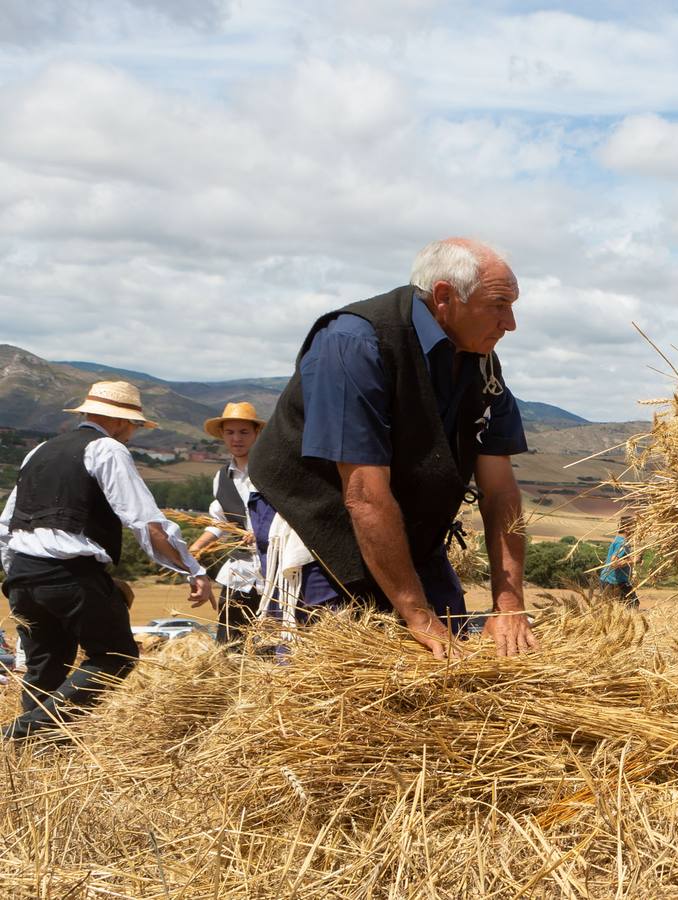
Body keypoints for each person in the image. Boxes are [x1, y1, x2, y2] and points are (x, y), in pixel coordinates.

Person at [250, 238, 538, 659]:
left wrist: (508, 604)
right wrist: (418, 617)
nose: (510, 323)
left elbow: (500, 490)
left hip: (405, 523)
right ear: (444, 297)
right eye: (498, 305)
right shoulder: (355, 343)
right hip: (318, 517)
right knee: (335, 660)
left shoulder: (481, 362)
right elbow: (363, 494)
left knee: (451, 655)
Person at [0, 382, 213, 740]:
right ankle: (20, 734)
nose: (132, 434)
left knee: (45, 668)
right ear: (119, 422)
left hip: (22, 572)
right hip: (70, 575)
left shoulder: (38, 451)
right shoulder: (107, 449)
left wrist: (16, 572)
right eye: (134, 426)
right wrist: (193, 568)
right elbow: (146, 522)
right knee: (116, 656)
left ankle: (39, 757)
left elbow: (7, 522)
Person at [187, 401, 267, 643]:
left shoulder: (270, 473)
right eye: (230, 432)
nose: (237, 439)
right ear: (222, 435)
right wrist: (196, 549)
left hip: (272, 573)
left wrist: (262, 531)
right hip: (240, 574)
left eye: (244, 432)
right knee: (230, 646)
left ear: (256, 434)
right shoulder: (220, 478)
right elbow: (219, 523)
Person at [600, 528, 635, 605]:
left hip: (608, 579)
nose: (635, 530)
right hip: (614, 582)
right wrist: (632, 561)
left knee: (608, 609)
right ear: (627, 529)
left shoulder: (617, 539)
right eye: (634, 527)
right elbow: (613, 563)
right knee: (633, 605)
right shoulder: (622, 543)